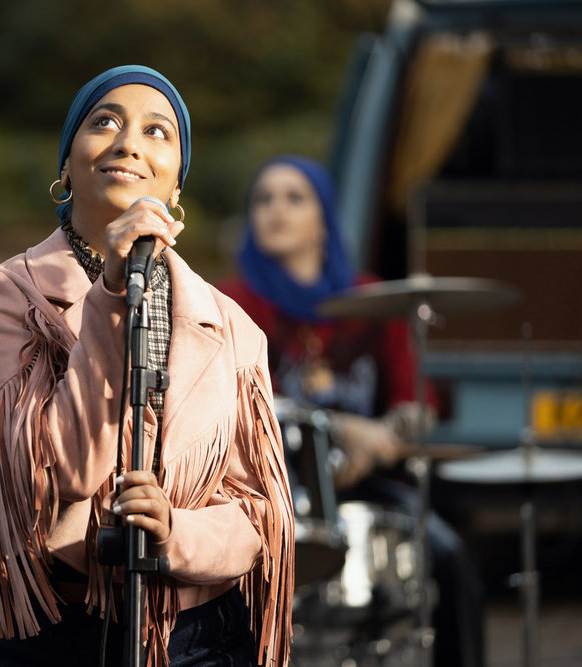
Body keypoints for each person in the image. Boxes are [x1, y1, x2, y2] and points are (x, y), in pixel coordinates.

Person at [0, 66, 296, 667]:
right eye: (105, 121)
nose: (128, 142)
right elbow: (58, 473)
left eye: (157, 131)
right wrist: (111, 294)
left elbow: (256, 514)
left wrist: (176, 534)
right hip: (50, 630)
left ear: (175, 189)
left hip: (201, 637)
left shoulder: (233, 329)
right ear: (66, 166)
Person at [217, 155, 485, 667]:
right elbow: (241, 400)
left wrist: (385, 434)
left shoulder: (373, 298)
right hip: (272, 489)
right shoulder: (231, 301)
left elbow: (416, 405)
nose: (276, 210)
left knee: (450, 559)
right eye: (263, 199)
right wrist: (345, 429)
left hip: (366, 485)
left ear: (324, 216)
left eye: (294, 198)